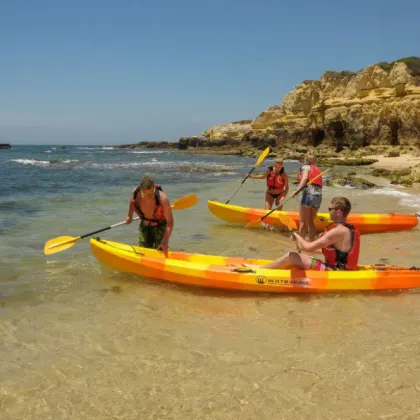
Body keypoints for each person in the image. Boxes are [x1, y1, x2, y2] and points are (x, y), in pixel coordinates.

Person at [247, 197, 360, 271]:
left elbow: (307, 247)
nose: (328, 211)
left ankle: (260, 270)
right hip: (341, 268)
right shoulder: (348, 229)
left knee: (292, 256)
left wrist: (297, 236)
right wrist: (302, 247)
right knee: (301, 257)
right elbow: (329, 252)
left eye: (330, 209)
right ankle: (271, 267)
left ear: (339, 212)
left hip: (337, 271)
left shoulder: (338, 231)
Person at [125, 176, 174, 254]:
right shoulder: (135, 193)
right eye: (146, 194)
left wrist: (165, 242)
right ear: (141, 190)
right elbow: (132, 202)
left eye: (152, 192)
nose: (150, 196)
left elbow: (170, 222)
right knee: (142, 252)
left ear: (154, 187)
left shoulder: (163, 198)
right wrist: (129, 216)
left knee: (159, 251)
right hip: (145, 225)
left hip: (160, 225)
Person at [292, 154, 323, 241]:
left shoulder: (306, 167)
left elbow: (305, 178)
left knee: (303, 222)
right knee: (310, 222)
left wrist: (297, 190)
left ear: (307, 160)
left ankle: (300, 244)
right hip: (318, 196)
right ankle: (310, 240)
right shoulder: (318, 169)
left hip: (308, 194)